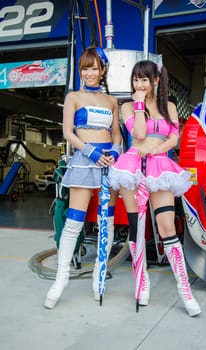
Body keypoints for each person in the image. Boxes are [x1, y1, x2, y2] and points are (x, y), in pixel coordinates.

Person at [109, 59, 201, 317]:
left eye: (144, 79)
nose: (139, 84)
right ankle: (142, 282)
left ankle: (185, 290)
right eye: (135, 79)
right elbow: (138, 135)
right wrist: (139, 104)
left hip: (160, 167)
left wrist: (155, 151)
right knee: (136, 228)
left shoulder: (168, 106)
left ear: (156, 81)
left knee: (167, 227)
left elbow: (174, 138)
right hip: (132, 167)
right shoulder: (127, 106)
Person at [44, 46, 122, 309]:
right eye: (85, 68)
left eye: (94, 68)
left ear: (103, 70)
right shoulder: (73, 97)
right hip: (84, 162)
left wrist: (113, 152)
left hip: (109, 163)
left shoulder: (112, 101)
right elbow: (68, 132)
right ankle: (60, 279)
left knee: (107, 223)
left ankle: (99, 279)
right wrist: (90, 152)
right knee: (74, 222)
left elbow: (117, 134)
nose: (90, 73)